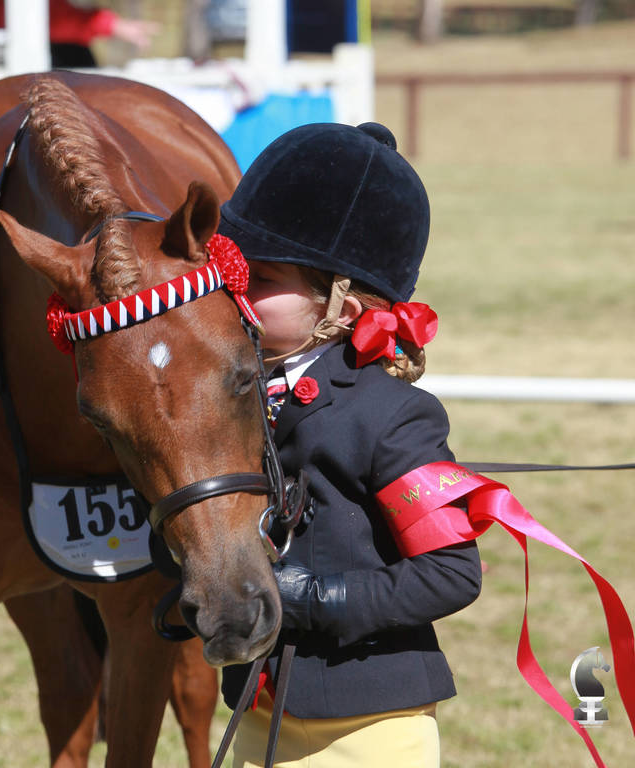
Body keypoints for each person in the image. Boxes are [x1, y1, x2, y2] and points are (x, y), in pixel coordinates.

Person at [217, 122, 483, 767]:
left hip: (373, 726)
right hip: (257, 712)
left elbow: (452, 573)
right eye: (233, 273)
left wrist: (311, 597)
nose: (235, 293)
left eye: (262, 280)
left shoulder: (396, 417)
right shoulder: (228, 399)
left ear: (344, 304)